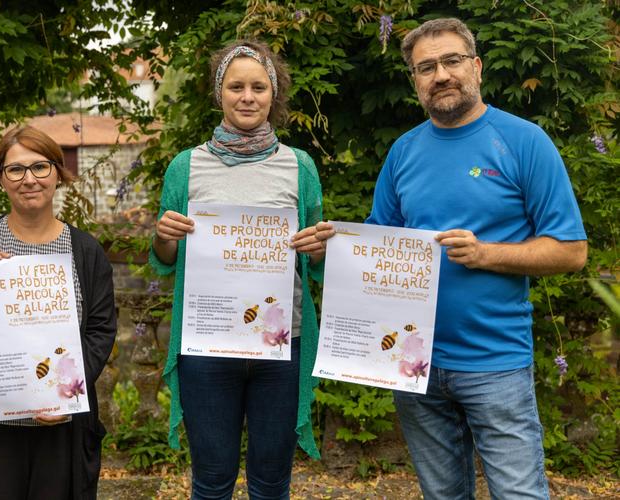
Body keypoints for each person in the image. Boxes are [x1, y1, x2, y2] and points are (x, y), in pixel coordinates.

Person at [364, 18, 587, 500]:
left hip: (495, 362)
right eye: (426, 67)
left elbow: (571, 251)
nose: (440, 74)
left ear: (477, 67)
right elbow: (377, 246)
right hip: (413, 362)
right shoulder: (403, 152)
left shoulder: (525, 142)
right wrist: (332, 249)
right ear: (415, 81)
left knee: (519, 494)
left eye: (451, 61)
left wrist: (485, 253)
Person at [150, 40, 333, 499]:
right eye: (236, 86)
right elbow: (165, 260)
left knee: (272, 482)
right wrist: (165, 236)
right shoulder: (185, 166)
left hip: (281, 345)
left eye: (258, 86)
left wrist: (319, 249)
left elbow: (317, 263)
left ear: (274, 94)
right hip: (207, 344)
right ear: (219, 94)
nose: (247, 96)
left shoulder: (300, 166)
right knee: (211, 481)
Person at [0, 126, 117, 499]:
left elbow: (100, 331)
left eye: (40, 167)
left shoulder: (86, 251)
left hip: (62, 426)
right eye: (15, 170)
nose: (29, 179)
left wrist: (64, 395)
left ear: (57, 174)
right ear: (1, 179)